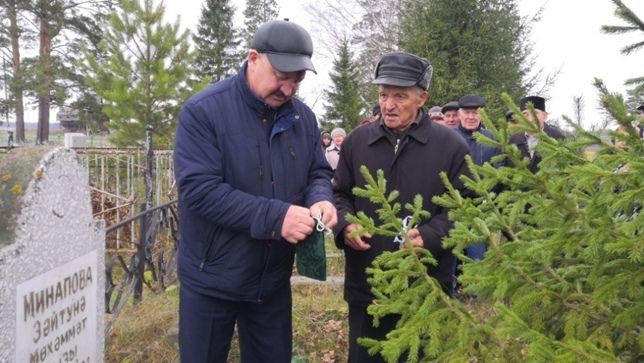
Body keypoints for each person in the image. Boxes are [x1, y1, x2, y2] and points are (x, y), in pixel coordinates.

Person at [173, 19, 337, 363]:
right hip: (211, 278)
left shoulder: (303, 119)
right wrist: (278, 217)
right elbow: (199, 190)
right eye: (281, 76)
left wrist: (320, 197)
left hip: (271, 280)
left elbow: (317, 171)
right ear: (252, 58)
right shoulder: (204, 112)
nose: (289, 89)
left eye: (298, 80)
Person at [332, 52, 470, 363]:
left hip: (426, 285)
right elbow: (339, 195)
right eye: (383, 94)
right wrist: (345, 225)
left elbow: (468, 208)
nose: (388, 105)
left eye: (399, 96)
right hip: (368, 285)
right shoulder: (357, 142)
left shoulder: (451, 147)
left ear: (422, 98)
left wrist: (433, 234)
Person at [455, 95, 502, 260]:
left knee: (478, 257)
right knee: (450, 258)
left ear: (481, 115)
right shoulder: (449, 137)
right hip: (453, 207)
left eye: (475, 113)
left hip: (481, 209)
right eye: (467, 112)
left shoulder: (492, 139)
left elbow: (498, 171)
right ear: (459, 114)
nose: (470, 117)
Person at [508, 96, 565, 173]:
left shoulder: (558, 138)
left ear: (545, 116)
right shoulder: (513, 140)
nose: (530, 119)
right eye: (525, 114)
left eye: (535, 113)